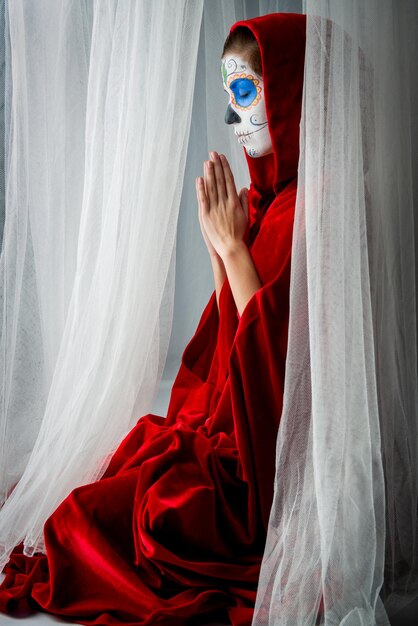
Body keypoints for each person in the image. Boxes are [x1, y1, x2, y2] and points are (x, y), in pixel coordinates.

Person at [0, 12, 307, 626]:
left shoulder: (312, 209)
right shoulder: (270, 203)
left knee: (93, 524)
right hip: (234, 425)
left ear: (292, 94)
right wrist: (225, 253)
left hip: (266, 465)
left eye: (245, 92)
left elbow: (281, 378)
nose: (231, 115)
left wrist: (236, 252)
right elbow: (229, 346)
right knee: (123, 462)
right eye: (229, 95)